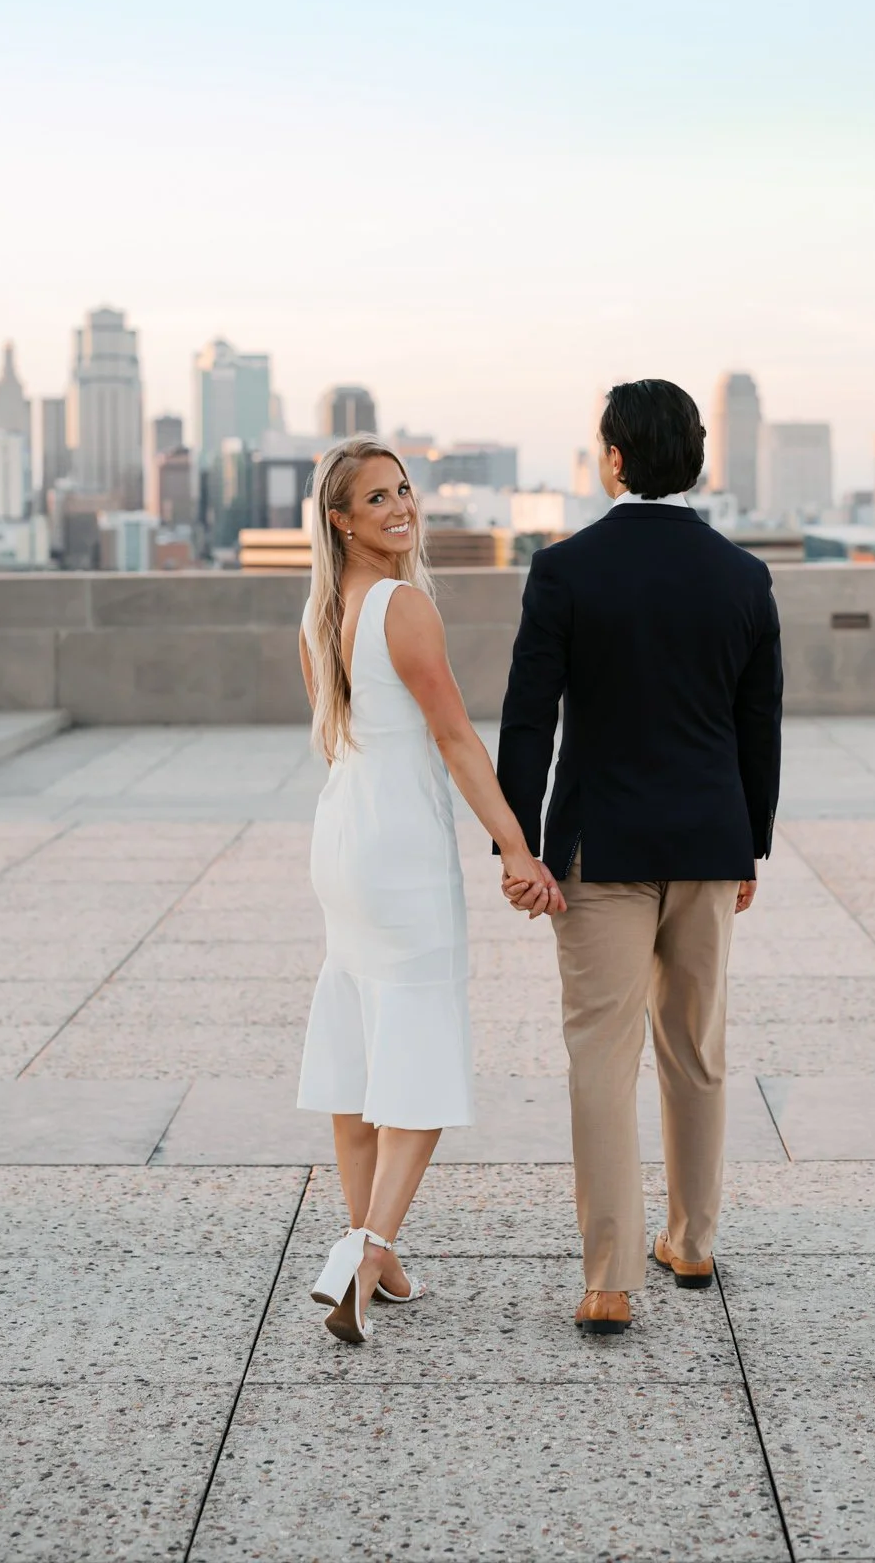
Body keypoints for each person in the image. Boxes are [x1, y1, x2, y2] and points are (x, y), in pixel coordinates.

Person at [496, 379, 782, 1335]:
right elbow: (758, 726)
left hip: (598, 848)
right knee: (695, 1051)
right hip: (707, 843)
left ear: (613, 458)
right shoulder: (743, 577)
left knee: (600, 1058)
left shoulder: (565, 569)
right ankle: (692, 1240)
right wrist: (749, 845)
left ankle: (609, 1277)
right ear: (694, 458)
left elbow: (529, 719)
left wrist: (520, 846)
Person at [298, 435, 561, 1345]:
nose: (401, 508)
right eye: (377, 499)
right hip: (399, 848)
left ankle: (377, 1255)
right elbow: (455, 741)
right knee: (417, 1049)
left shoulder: (320, 613)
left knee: (361, 1054)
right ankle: (366, 1253)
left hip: (341, 836)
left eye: (405, 490)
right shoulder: (403, 606)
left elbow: (340, 737)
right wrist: (516, 849)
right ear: (341, 520)